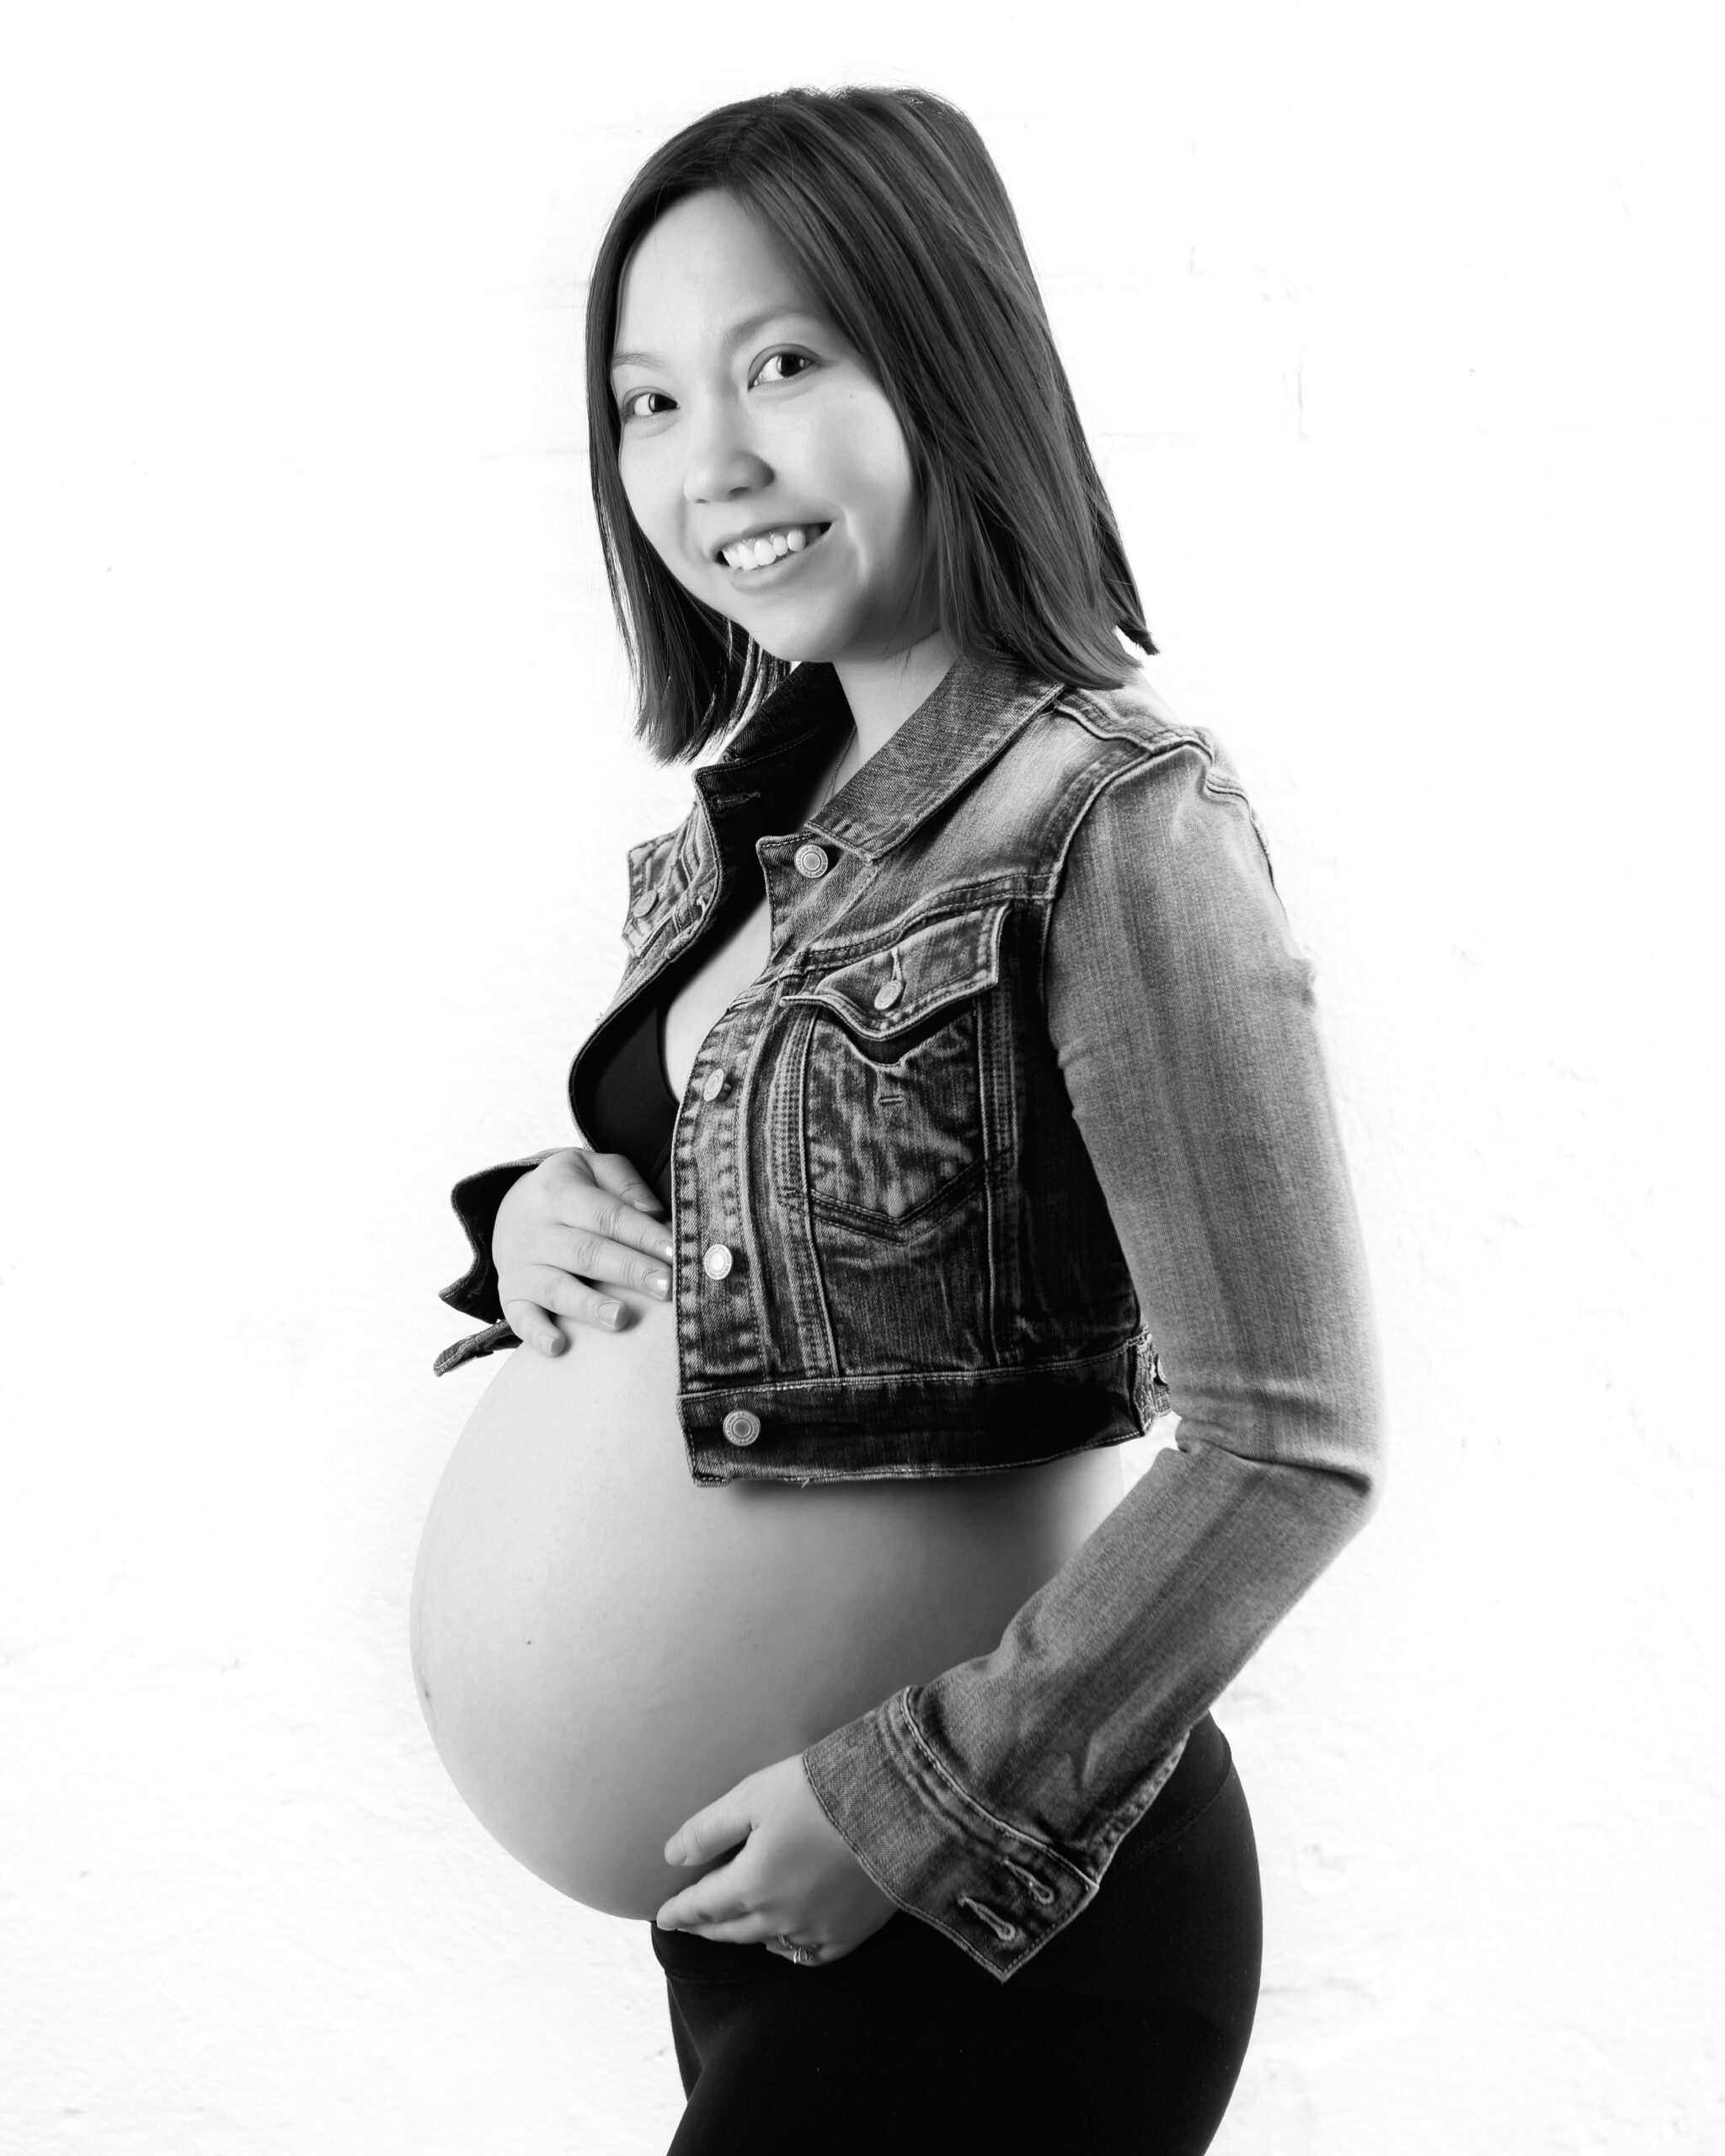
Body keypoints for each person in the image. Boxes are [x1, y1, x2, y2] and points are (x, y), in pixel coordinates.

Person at [422, 84, 1383, 2153]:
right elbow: (809, 1254)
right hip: (758, 1905)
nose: (715, 461)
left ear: (943, 355)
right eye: (649, 401)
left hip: (1001, 1906)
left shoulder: (1121, 819)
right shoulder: (732, 845)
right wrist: (539, 1223)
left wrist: (904, 1802)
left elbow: (1287, 1440)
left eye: (783, 363)